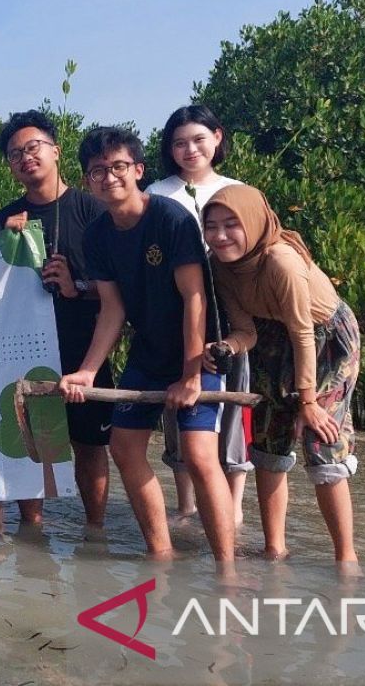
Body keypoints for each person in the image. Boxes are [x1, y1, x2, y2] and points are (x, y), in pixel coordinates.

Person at [59, 127, 235, 565]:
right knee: (123, 447)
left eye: (118, 167)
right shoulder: (96, 234)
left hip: (198, 351)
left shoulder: (171, 219)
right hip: (148, 352)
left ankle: (227, 566)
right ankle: (161, 553)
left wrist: (192, 373)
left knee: (198, 456)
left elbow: (195, 297)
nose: (109, 177)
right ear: (87, 181)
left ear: (138, 170)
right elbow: (113, 309)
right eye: (97, 171)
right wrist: (86, 370)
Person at [202, 185, 360, 563]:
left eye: (231, 225)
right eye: (211, 226)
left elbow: (303, 333)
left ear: (254, 223)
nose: (220, 236)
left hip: (323, 338)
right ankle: (275, 548)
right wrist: (224, 347)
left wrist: (308, 401)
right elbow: (247, 332)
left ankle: (346, 558)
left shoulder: (281, 261)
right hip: (271, 335)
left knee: (323, 444)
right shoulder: (218, 265)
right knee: (268, 443)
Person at [0, 111, 112, 533]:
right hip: (26, 347)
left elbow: (120, 289)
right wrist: (2, 239)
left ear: (55, 151)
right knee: (33, 441)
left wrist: (76, 285)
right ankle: (33, 534)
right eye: (14, 154)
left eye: (33, 147)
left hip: (85, 345)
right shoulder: (6, 218)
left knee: (90, 445)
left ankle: (94, 533)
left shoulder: (93, 210)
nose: (25, 158)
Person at [147, 105, 251, 525]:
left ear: (217, 138)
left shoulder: (237, 190)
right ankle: (187, 503)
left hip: (232, 314)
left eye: (198, 140)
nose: (189, 150)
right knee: (180, 411)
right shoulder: (156, 192)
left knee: (233, 411)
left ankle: (237, 506)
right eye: (179, 143)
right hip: (179, 316)